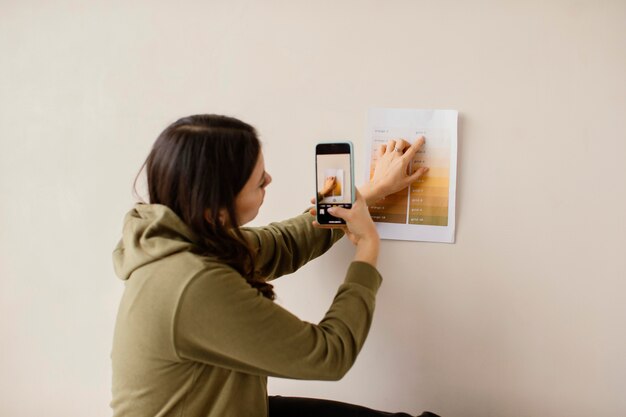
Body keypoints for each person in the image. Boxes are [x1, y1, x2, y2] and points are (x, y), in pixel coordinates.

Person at [110, 114, 437, 417]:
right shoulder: (192, 283)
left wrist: (372, 191)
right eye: (259, 183)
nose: (269, 178)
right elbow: (329, 355)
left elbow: (282, 243)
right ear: (217, 206)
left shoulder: (180, 238)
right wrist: (368, 247)